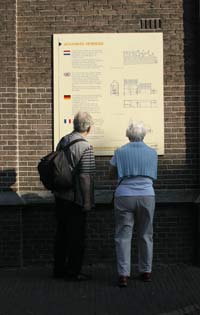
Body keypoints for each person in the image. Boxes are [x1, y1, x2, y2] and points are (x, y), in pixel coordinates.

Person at [110, 122, 158, 287]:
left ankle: (123, 274)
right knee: (146, 234)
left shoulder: (120, 151)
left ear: (128, 135)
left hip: (124, 195)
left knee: (123, 236)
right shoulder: (153, 153)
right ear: (143, 135)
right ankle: (146, 271)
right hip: (146, 195)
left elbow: (111, 173)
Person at [53, 111, 96, 281]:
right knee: (77, 237)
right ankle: (73, 272)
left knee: (61, 234)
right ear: (89, 128)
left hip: (60, 195)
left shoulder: (63, 140)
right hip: (75, 198)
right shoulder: (85, 147)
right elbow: (85, 177)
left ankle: (59, 269)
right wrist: (86, 201)